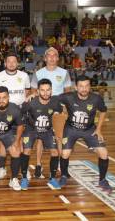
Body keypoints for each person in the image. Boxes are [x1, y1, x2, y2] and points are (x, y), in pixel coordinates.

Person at [58, 75, 112, 193]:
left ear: (90, 86)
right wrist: (33, 95)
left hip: (89, 129)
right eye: (81, 86)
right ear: (76, 87)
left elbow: (103, 111)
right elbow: (51, 99)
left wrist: (98, 129)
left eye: (87, 86)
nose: (84, 89)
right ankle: (64, 175)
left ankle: (102, 180)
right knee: (65, 153)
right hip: (71, 129)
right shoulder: (68, 97)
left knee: (104, 153)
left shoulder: (96, 99)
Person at [31, 47, 71, 178]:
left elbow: (68, 93)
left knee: (59, 137)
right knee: (40, 138)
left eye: (55, 55)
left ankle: (60, 164)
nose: (52, 58)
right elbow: (33, 92)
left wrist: (66, 109)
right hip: (42, 110)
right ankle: (38, 165)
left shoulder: (64, 73)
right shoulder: (38, 73)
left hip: (58, 110)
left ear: (58, 58)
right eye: (49, 55)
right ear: (45, 58)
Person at [0, 53, 30, 180]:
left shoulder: (24, 76)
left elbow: (27, 93)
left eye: (14, 61)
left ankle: (24, 170)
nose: (12, 63)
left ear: (17, 63)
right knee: (3, 142)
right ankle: (1, 168)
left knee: (21, 143)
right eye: (9, 61)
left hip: (19, 112)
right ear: (5, 63)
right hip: (3, 112)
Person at [20, 79, 62, 190]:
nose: (45, 93)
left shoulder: (55, 102)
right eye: (42, 90)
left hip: (47, 130)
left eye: (48, 90)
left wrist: (57, 120)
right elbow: (20, 114)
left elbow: (59, 112)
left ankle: (52, 178)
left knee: (54, 151)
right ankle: (24, 178)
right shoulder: (30, 102)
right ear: (38, 91)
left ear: (51, 91)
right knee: (26, 151)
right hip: (31, 129)